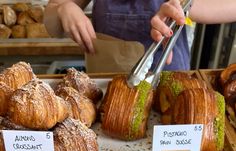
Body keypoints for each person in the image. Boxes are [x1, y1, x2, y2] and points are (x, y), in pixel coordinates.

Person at [44, 0, 236, 71]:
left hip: (167, 86)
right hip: (104, 91)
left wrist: (185, 6)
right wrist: (63, 8)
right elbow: (52, 27)